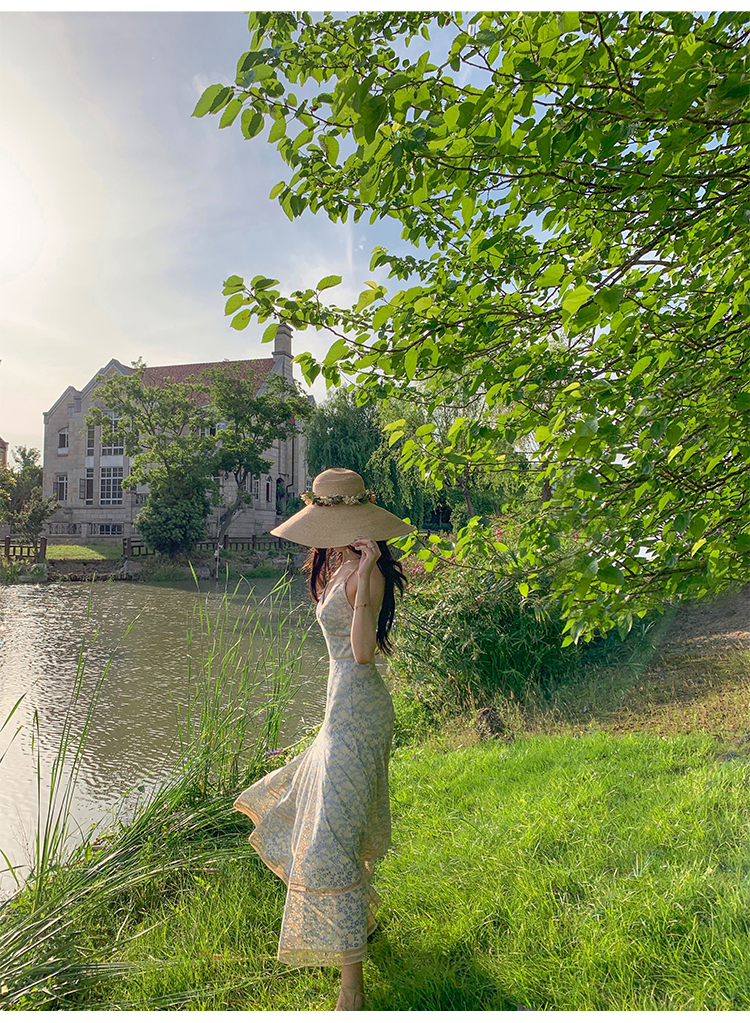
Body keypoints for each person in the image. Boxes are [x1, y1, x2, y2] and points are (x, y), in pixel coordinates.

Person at [233, 467, 416, 1011]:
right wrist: (352, 570)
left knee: (328, 840)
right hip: (342, 707)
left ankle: (351, 989)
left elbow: (362, 653)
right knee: (317, 814)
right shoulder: (338, 565)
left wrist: (367, 578)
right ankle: (364, 922)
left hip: (360, 709)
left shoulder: (366, 574)